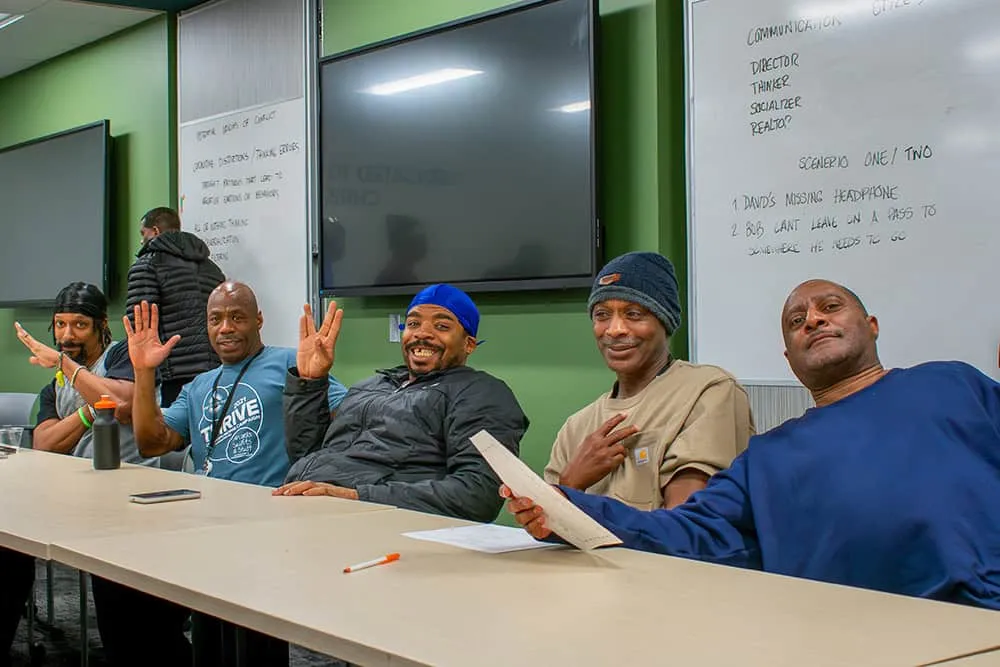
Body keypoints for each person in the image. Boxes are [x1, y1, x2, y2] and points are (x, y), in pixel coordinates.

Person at [507, 279, 1000, 610]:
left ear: (870, 327)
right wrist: (566, 506)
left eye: (830, 307)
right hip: (854, 632)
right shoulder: (767, 458)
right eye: (796, 320)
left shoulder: (953, 384)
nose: (813, 319)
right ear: (790, 359)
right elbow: (685, 535)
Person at [126, 281, 348, 666]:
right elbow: (152, 442)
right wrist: (144, 374)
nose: (226, 327)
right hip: (209, 524)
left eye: (236, 317)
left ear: (258, 320)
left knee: (254, 644)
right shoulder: (199, 386)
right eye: (216, 319)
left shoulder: (289, 363)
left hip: (270, 526)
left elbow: (347, 417)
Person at [6, 282, 187, 667]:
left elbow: (122, 402)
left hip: (132, 500)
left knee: (128, 610)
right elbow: (44, 443)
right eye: (59, 325)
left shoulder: (122, 355)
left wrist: (64, 367)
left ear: (101, 325)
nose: (66, 335)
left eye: (79, 325)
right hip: (75, 500)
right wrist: (88, 412)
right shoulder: (57, 381)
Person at [275, 283, 529, 524]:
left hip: (377, 526)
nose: (422, 333)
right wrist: (309, 382)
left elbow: (478, 493)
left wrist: (358, 498)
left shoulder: (481, 393)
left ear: (469, 344)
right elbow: (307, 455)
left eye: (441, 326)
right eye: (413, 323)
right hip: (306, 510)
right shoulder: (368, 387)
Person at [545, 252, 753, 509]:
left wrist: (566, 497)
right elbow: (548, 527)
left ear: (665, 321)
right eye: (602, 315)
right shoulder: (576, 427)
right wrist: (571, 482)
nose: (614, 329)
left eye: (633, 314)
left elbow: (684, 529)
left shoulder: (708, 392)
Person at [126, 206, 226, 406]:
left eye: (142, 233)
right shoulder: (213, 269)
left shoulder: (147, 265)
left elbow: (139, 325)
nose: (140, 240)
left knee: (172, 434)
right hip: (217, 371)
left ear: (155, 231)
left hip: (173, 375)